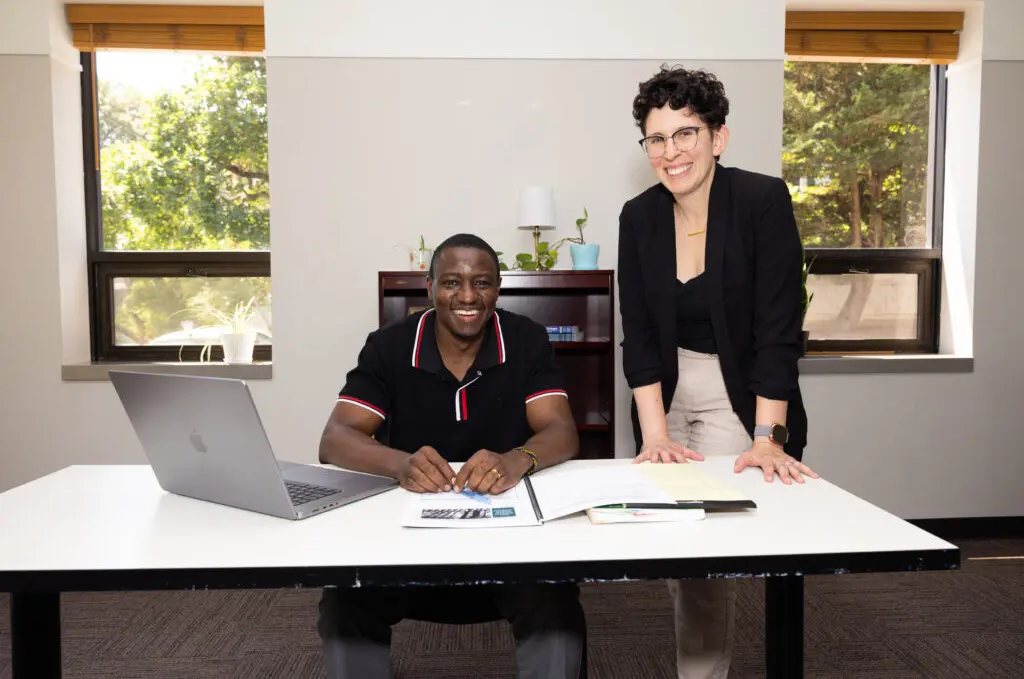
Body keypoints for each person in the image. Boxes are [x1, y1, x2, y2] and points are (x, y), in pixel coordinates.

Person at [617, 65, 819, 679]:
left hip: (741, 395)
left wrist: (768, 438)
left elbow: (778, 331)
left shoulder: (760, 201)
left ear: (718, 137)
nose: (671, 151)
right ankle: (700, 653)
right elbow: (641, 337)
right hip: (663, 395)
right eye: (657, 138)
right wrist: (653, 435)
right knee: (679, 552)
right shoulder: (638, 216)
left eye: (686, 133)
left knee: (705, 552)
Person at [316, 233, 587, 679]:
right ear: (430, 287)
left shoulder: (526, 339)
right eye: (451, 283)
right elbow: (335, 438)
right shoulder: (389, 345)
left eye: (481, 283)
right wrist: (399, 463)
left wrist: (516, 459)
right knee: (344, 603)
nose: (466, 296)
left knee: (557, 605)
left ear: (497, 289)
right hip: (404, 544)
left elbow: (560, 430)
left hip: (509, 543)